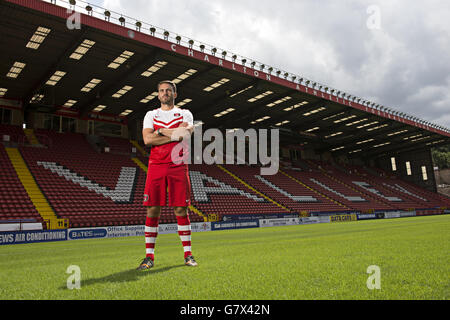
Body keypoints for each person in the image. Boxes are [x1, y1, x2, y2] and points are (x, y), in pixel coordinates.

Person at [137, 80, 197, 270]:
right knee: (152, 209)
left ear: (175, 94)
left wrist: (161, 131)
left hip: (178, 164)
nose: (165, 93)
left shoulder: (185, 113)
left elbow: (185, 135)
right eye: (161, 90)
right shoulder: (151, 114)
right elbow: (147, 139)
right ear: (158, 94)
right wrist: (174, 133)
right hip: (156, 166)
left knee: (181, 209)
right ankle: (149, 257)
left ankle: (188, 255)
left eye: (168, 91)